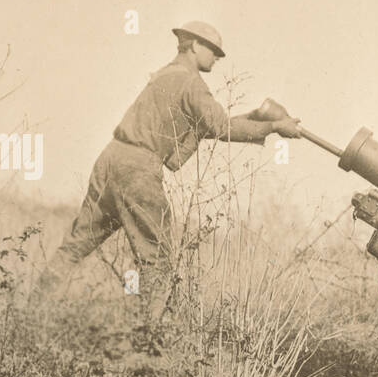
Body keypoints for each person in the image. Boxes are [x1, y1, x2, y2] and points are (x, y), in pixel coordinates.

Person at [43, 20, 302, 348]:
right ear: (194, 45)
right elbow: (221, 128)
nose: (217, 58)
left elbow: (209, 125)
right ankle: (151, 345)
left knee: (76, 245)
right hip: (138, 169)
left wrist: (258, 117)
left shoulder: (166, 75)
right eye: (214, 51)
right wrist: (275, 128)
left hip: (112, 159)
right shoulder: (192, 83)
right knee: (160, 259)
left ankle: (31, 313)